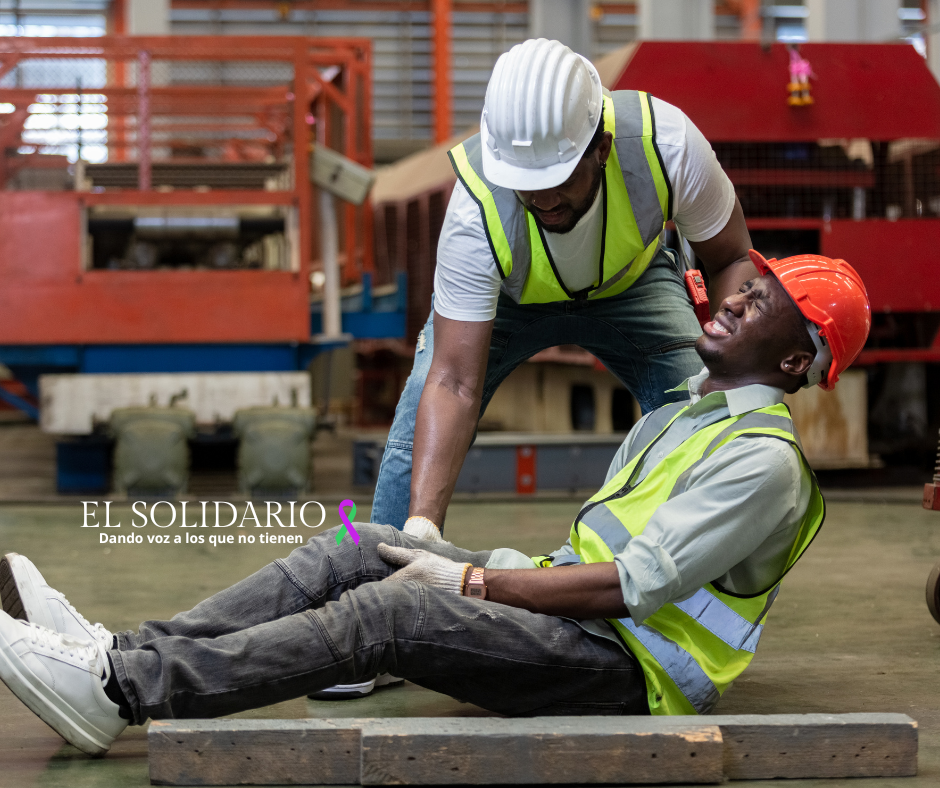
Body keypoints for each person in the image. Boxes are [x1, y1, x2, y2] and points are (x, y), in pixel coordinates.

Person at [0, 251, 870, 756]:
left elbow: (627, 588)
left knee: (387, 613)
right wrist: (486, 568)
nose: (731, 300)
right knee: (358, 546)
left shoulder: (762, 465)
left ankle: (122, 689)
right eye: (744, 287)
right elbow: (583, 564)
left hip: (629, 678)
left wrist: (472, 587)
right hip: (577, 624)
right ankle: (121, 649)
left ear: (796, 363)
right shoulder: (686, 419)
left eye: (760, 306)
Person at [374, 37, 758, 548]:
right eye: (524, 181)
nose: (541, 197)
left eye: (557, 178)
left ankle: (697, 558)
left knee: (699, 404)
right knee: (419, 418)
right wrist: (421, 528)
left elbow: (731, 258)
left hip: (632, 286)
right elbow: (454, 383)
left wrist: (732, 371)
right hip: (510, 303)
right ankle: (387, 569)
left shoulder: (665, 144)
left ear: (601, 148)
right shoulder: (475, 211)